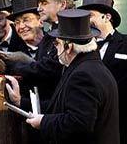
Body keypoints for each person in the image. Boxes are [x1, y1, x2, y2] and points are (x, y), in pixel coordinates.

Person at [6, 9, 119, 144]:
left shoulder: (83, 75)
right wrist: (20, 102)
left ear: (69, 47)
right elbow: (60, 105)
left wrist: (43, 122)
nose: (56, 49)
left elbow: (78, 123)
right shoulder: (88, 67)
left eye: (57, 44)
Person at [79, 0, 127, 144]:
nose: (86, 21)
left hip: (121, 124)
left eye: (90, 16)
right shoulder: (80, 49)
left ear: (107, 17)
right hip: (88, 124)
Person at [0, 0, 80, 104]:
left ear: (62, 4)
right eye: (39, 4)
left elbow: (50, 67)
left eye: (44, 3)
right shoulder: (50, 35)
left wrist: (14, 68)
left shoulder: (74, 32)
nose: (39, 8)